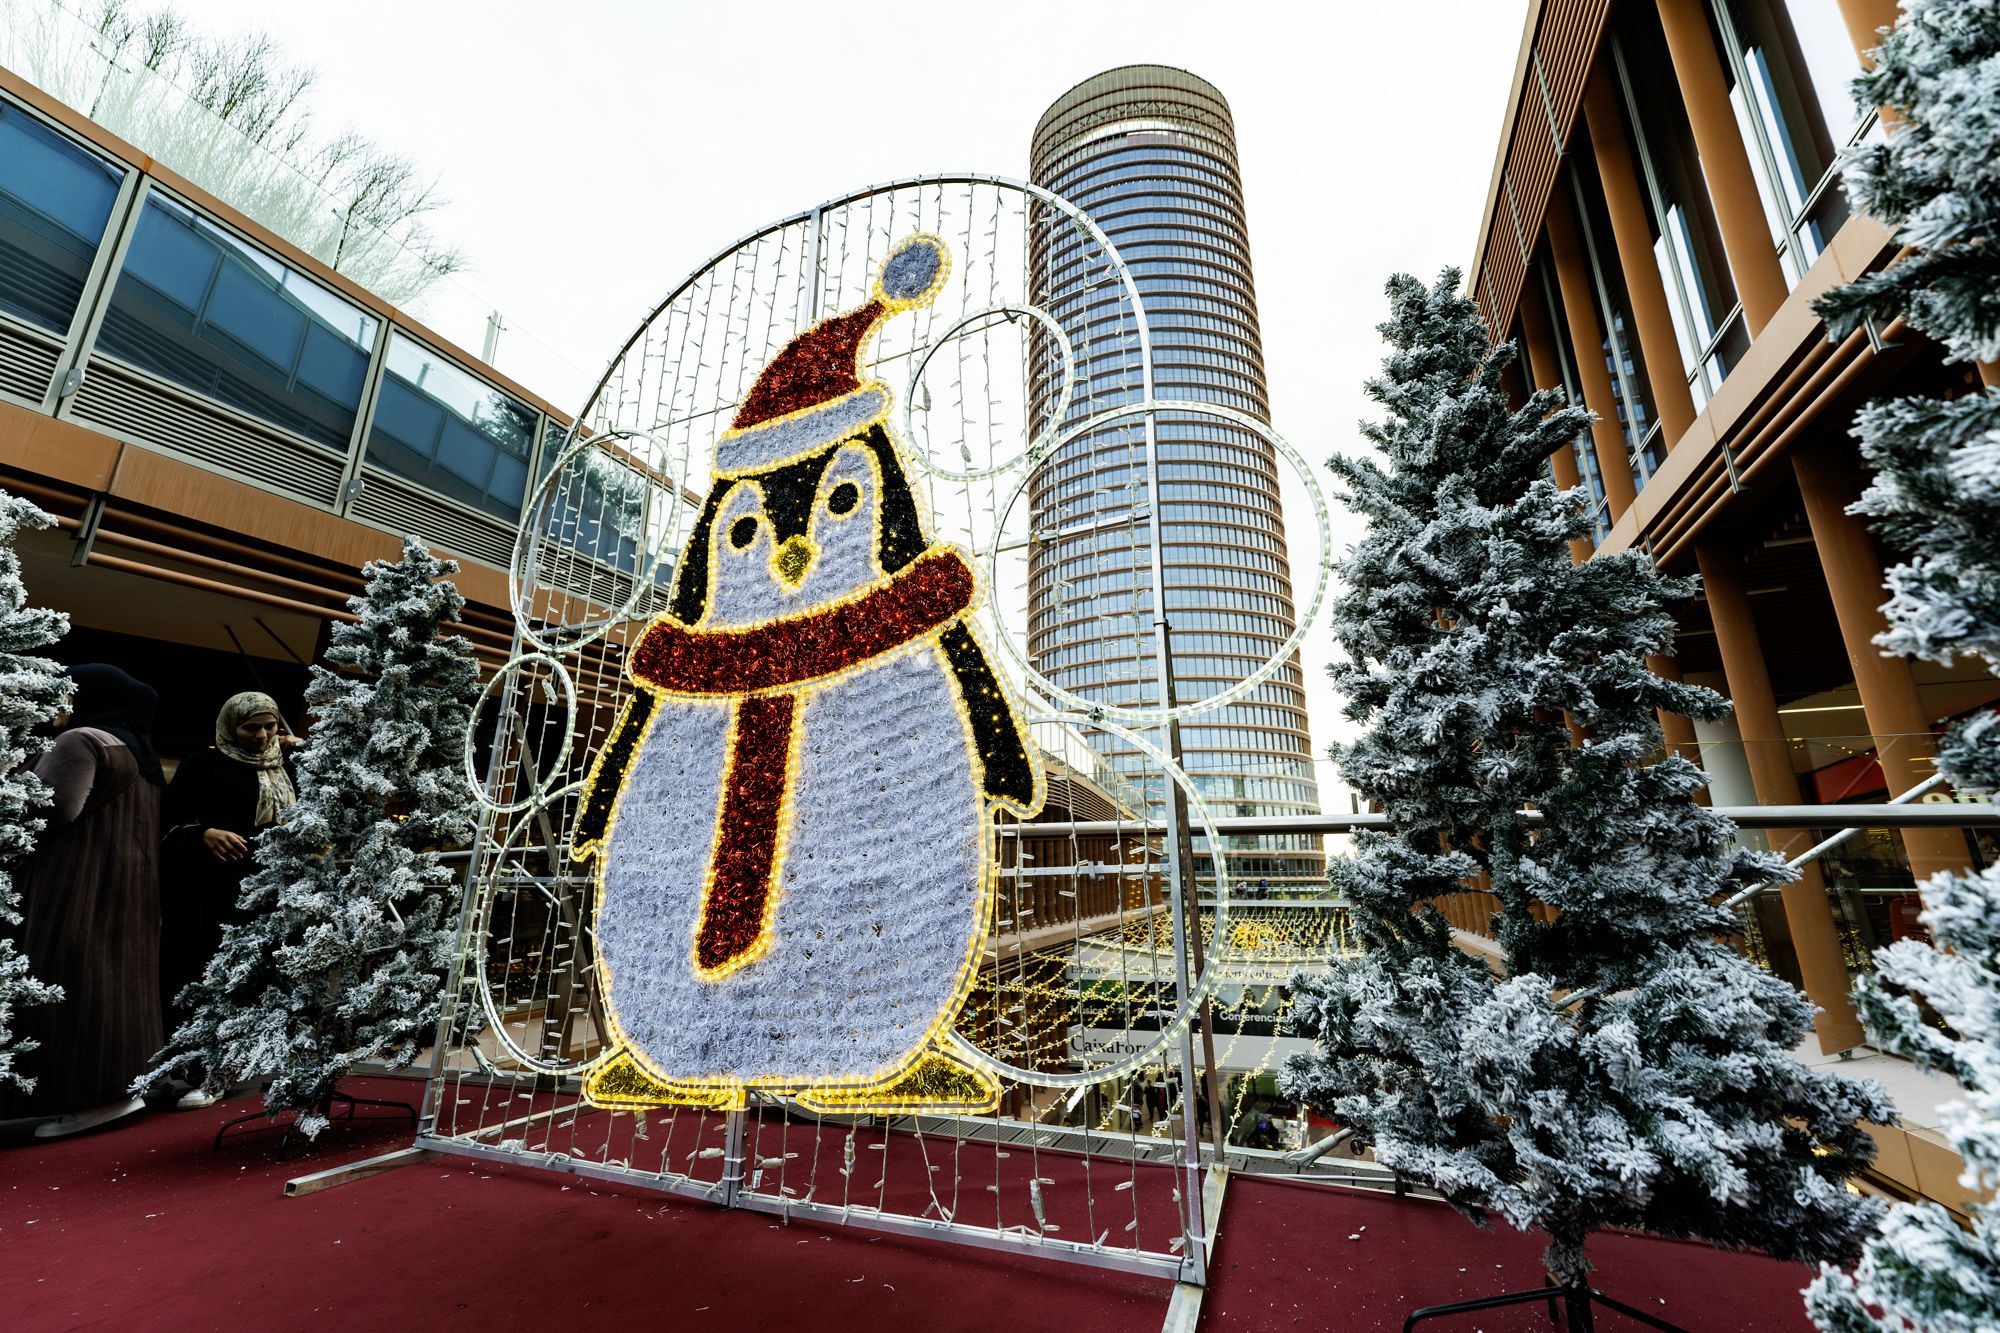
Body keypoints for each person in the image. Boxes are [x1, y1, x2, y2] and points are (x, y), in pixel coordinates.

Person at [0, 665, 164, 1138]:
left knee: (61, 976)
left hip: (72, 882)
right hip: (126, 886)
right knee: (112, 981)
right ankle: (119, 1087)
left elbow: (47, 811)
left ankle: (85, 1097)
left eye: (68, 695)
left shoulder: (80, 740)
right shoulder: (137, 750)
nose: (59, 705)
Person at [158, 691, 298, 1108]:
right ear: (230, 727)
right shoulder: (203, 765)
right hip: (211, 888)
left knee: (263, 975)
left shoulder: (290, 764)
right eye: (251, 727)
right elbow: (168, 821)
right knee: (206, 973)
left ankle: (254, 1063)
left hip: (272, 889)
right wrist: (203, 833)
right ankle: (200, 1068)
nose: (262, 736)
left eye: (270, 726)